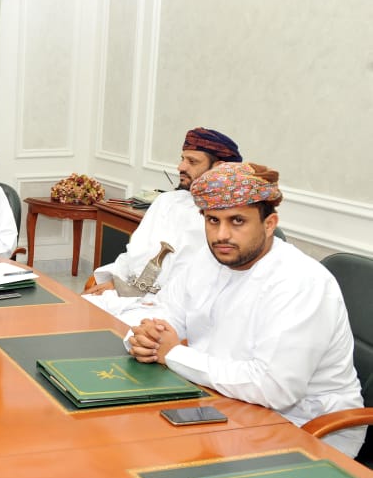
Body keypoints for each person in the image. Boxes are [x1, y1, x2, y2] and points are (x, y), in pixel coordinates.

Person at [125, 162, 366, 457]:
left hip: (304, 427)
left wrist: (172, 353)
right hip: (223, 400)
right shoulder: (207, 259)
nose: (221, 235)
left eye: (237, 221)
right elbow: (163, 312)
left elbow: (274, 388)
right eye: (213, 220)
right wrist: (147, 337)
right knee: (129, 442)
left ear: (270, 224)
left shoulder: (300, 281)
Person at [83, 127, 243, 321]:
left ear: (219, 168)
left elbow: (206, 288)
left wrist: (140, 296)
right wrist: (117, 283)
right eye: (182, 159)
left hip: (169, 312)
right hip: (127, 296)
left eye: (192, 161)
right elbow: (133, 254)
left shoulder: (227, 220)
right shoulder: (167, 201)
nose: (181, 167)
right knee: (77, 312)